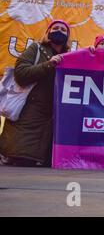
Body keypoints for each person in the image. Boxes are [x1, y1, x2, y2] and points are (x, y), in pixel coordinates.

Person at [0, 20, 71, 167]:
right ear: (48, 33)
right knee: (21, 159)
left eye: (63, 30)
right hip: (28, 115)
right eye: (55, 28)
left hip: (50, 119)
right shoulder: (36, 49)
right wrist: (48, 64)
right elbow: (21, 74)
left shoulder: (69, 57)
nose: (59, 31)